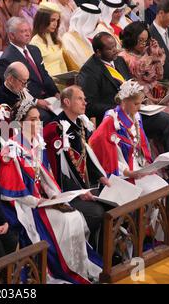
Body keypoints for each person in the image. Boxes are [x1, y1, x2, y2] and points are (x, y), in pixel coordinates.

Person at [0, 100, 101, 283]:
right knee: (65, 220)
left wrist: (55, 196)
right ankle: (63, 268)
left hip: (40, 200)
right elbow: (9, 192)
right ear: (20, 123)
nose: (37, 124)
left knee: (74, 216)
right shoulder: (12, 150)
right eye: (33, 120)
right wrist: (39, 202)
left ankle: (79, 267)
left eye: (38, 119)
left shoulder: (36, 143)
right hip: (23, 206)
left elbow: (45, 176)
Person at [78, 32, 169, 182]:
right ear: (98, 52)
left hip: (135, 112)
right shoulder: (89, 71)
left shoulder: (118, 61)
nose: (116, 51)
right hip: (115, 121)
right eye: (110, 49)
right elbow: (90, 105)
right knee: (166, 121)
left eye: (115, 47)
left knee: (168, 120)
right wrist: (120, 106)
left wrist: (141, 99)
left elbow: (131, 84)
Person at [43, 85, 110, 252]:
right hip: (66, 190)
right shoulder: (55, 129)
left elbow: (86, 154)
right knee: (97, 212)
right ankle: (90, 251)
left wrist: (101, 177)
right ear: (67, 101)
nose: (85, 102)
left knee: (115, 201)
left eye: (84, 99)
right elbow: (59, 168)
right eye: (80, 99)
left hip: (84, 184)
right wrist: (80, 191)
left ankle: (107, 249)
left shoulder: (79, 123)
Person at [119, 21, 169, 156]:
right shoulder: (123, 57)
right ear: (132, 39)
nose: (144, 44)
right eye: (140, 40)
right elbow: (130, 83)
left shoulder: (147, 51)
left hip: (157, 90)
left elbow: (158, 76)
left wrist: (158, 59)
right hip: (141, 96)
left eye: (146, 40)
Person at [89, 79, 154, 179]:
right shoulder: (111, 120)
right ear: (124, 101)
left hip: (139, 167)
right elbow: (94, 142)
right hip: (123, 173)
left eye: (141, 103)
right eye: (136, 104)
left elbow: (142, 144)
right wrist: (126, 172)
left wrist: (146, 163)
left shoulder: (136, 116)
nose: (139, 107)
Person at [0, 17, 59, 123]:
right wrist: (36, 102)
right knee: (47, 117)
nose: (28, 34)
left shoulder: (34, 50)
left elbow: (44, 75)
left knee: (69, 109)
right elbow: (14, 89)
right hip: (27, 103)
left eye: (28, 30)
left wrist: (56, 93)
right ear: (11, 35)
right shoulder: (7, 58)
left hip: (48, 98)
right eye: (23, 31)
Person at [30, 1, 70, 77]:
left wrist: (67, 80)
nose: (55, 24)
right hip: (48, 84)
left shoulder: (55, 38)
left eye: (57, 20)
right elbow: (37, 72)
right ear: (43, 19)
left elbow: (61, 63)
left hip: (61, 82)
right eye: (52, 20)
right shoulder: (35, 42)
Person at [61, 3, 101, 69]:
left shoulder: (97, 34)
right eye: (95, 20)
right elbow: (75, 64)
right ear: (88, 20)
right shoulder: (68, 38)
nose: (98, 22)